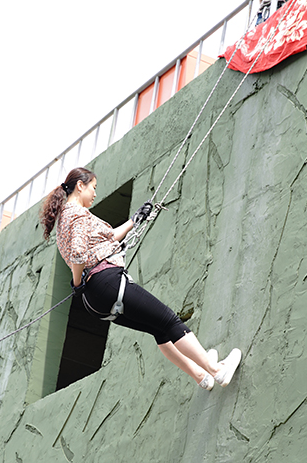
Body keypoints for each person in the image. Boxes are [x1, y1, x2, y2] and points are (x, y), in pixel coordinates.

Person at [40, 167, 242, 391]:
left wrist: (134, 220)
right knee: (170, 321)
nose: (95, 193)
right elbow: (78, 253)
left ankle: (201, 375)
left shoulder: (64, 220)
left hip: (95, 300)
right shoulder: (77, 213)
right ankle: (217, 371)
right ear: (80, 186)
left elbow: (108, 238)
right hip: (106, 281)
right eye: (93, 188)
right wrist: (77, 282)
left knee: (159, 330)